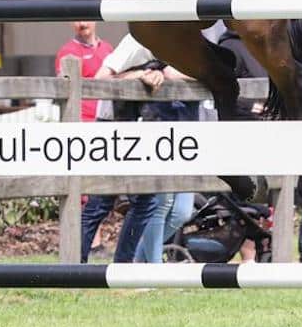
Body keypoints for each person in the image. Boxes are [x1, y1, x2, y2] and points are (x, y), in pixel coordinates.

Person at [96, 34, 198, 263]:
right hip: (157, 131)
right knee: (159, 206)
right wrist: (142, 76)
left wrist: (173, 74)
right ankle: (153, 269)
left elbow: (210, 73)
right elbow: (102, 77)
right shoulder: (141, 41)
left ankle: (139, 258)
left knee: (182, 212)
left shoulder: (192, 42)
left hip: (188, 135)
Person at [55, 19, 117, 257]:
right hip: (80, 123)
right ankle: (90, 243)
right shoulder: (67, 52)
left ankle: (92, 240)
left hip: (106, 123)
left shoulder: (108, 49)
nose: (82, 24)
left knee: (99, 187)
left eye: (86, 19)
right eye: (77, 20)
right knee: (81, 187)